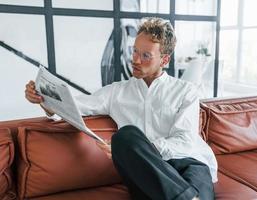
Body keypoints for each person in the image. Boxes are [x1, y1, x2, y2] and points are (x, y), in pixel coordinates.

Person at [25, 17, 218, 200]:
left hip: (189, 163)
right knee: (125, 136)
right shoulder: (115, 92)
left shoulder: (186, 91)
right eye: (134, 51)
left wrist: (148, 148)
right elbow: (74, 105)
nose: (135, 59)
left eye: (145, 55)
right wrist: (43, 100)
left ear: (165, 60)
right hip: (145, 172)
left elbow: (184, 140)